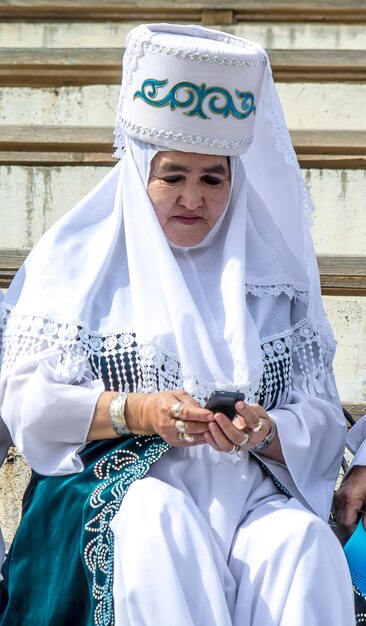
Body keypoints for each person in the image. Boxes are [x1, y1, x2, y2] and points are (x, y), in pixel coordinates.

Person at [0, 23, 355, 626]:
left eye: (212, 179)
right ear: (141, 174)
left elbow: (321, 417)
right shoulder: (78, 268)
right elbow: (26, 403)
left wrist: (266, 432)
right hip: (112, 495)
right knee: (158, 525)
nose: (193, 197)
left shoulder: (273, 286)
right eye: (173, 176)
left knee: (303, 546)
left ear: (234, 182)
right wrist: (136, 413)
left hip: (245, 497)